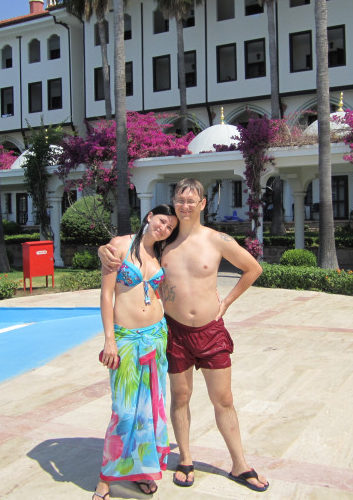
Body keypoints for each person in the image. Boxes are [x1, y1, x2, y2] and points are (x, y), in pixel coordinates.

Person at [99, 178, 269, 492]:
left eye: (192, 201)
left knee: (224, 399)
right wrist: (102, 250)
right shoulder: (164, 241)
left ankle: (240, 464)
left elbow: (253, 268)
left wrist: (226, 302)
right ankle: (186, 459)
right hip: (174, 331)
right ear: (173, 203)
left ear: (202, 204)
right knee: (180, 397)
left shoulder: (217, 239)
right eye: (180, 200)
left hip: (210, 331)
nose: (185, 206)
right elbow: (131, 246)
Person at [93, 204, 179, 500]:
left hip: (155, 336)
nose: (163, 229)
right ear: (150, 216)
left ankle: (141, 471)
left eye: (169, 227)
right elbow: (106, 295)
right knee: (124, 410)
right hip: (126, 339)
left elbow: (162, 292)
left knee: (149, 411)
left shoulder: (160, 254)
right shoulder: (118, 246)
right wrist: (109, 340)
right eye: (162, 221)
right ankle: (106, 478)